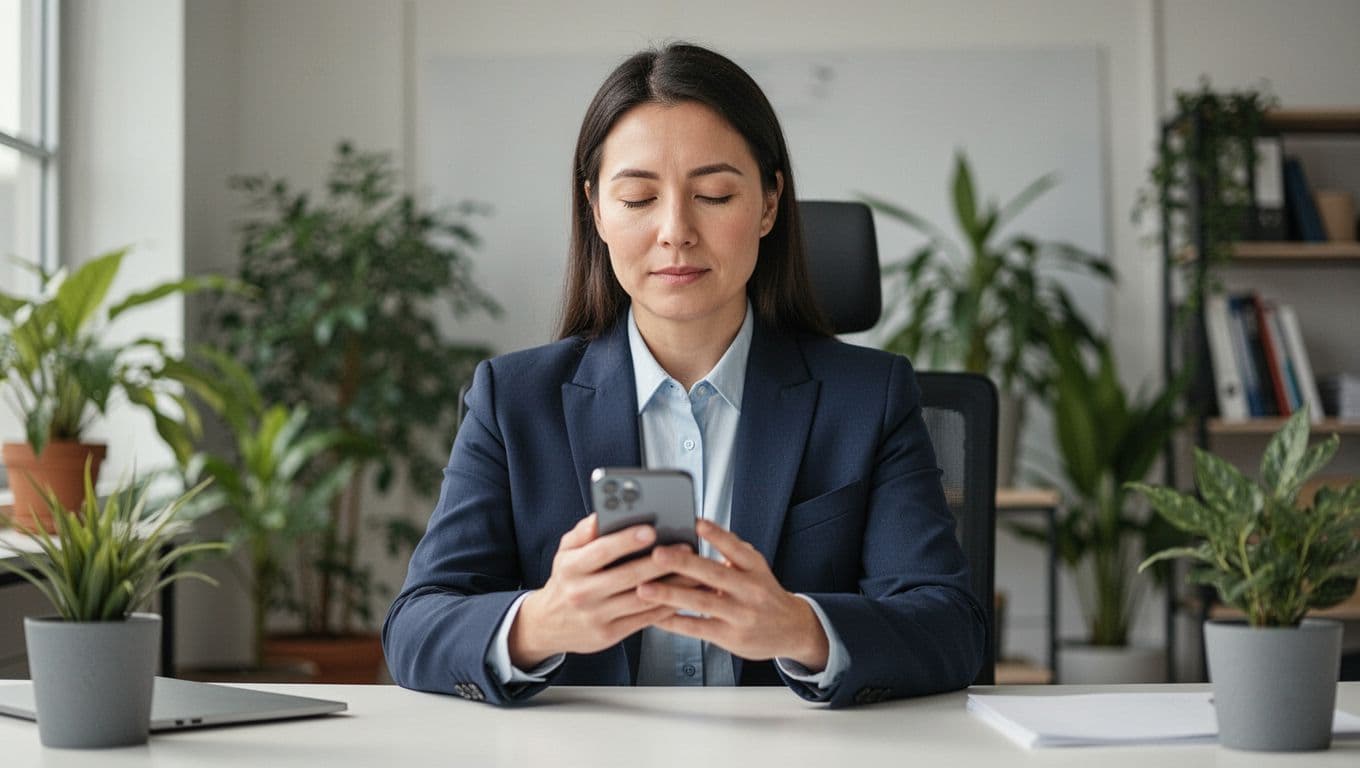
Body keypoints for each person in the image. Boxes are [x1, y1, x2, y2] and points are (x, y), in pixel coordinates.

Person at [383, 42, 985, 708]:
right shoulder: (513, 400)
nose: (676, 231)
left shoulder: (868, 398)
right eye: (638, 197)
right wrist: (540, 624)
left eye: (714, 194)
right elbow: (415, 626)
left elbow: (951, 627)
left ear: (768, 203)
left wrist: (802, 629)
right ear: (596, 211)